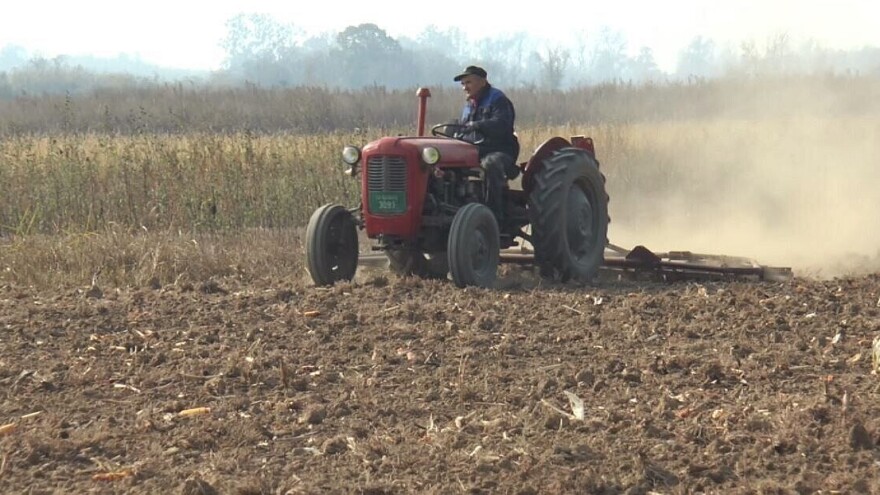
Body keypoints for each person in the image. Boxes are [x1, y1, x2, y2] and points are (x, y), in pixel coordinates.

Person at [453, 65, 520, 224]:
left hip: (499, 149)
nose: (465, 87)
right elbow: (464, 128)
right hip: (474, 151)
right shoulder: (469, 105)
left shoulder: (497, 99)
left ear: (482, 82)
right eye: (463, 84)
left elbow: (502, 124)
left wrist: (479, 125)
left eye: (468, 82)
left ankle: (494, 216)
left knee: (490, 164)